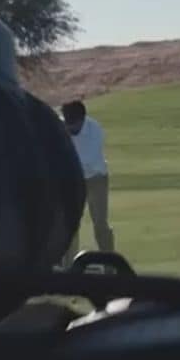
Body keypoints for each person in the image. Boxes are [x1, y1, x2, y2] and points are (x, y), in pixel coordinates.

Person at [60, 99, 113, 254]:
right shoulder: (59, 127)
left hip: (96, 179)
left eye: (73, 123)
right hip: (71, 181)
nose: (69, 127)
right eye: (67, 122)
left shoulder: (94, 130)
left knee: (100, 223)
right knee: (70, 224)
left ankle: (108, 260)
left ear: (82, 119)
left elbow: (88, 160)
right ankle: (68, 264)